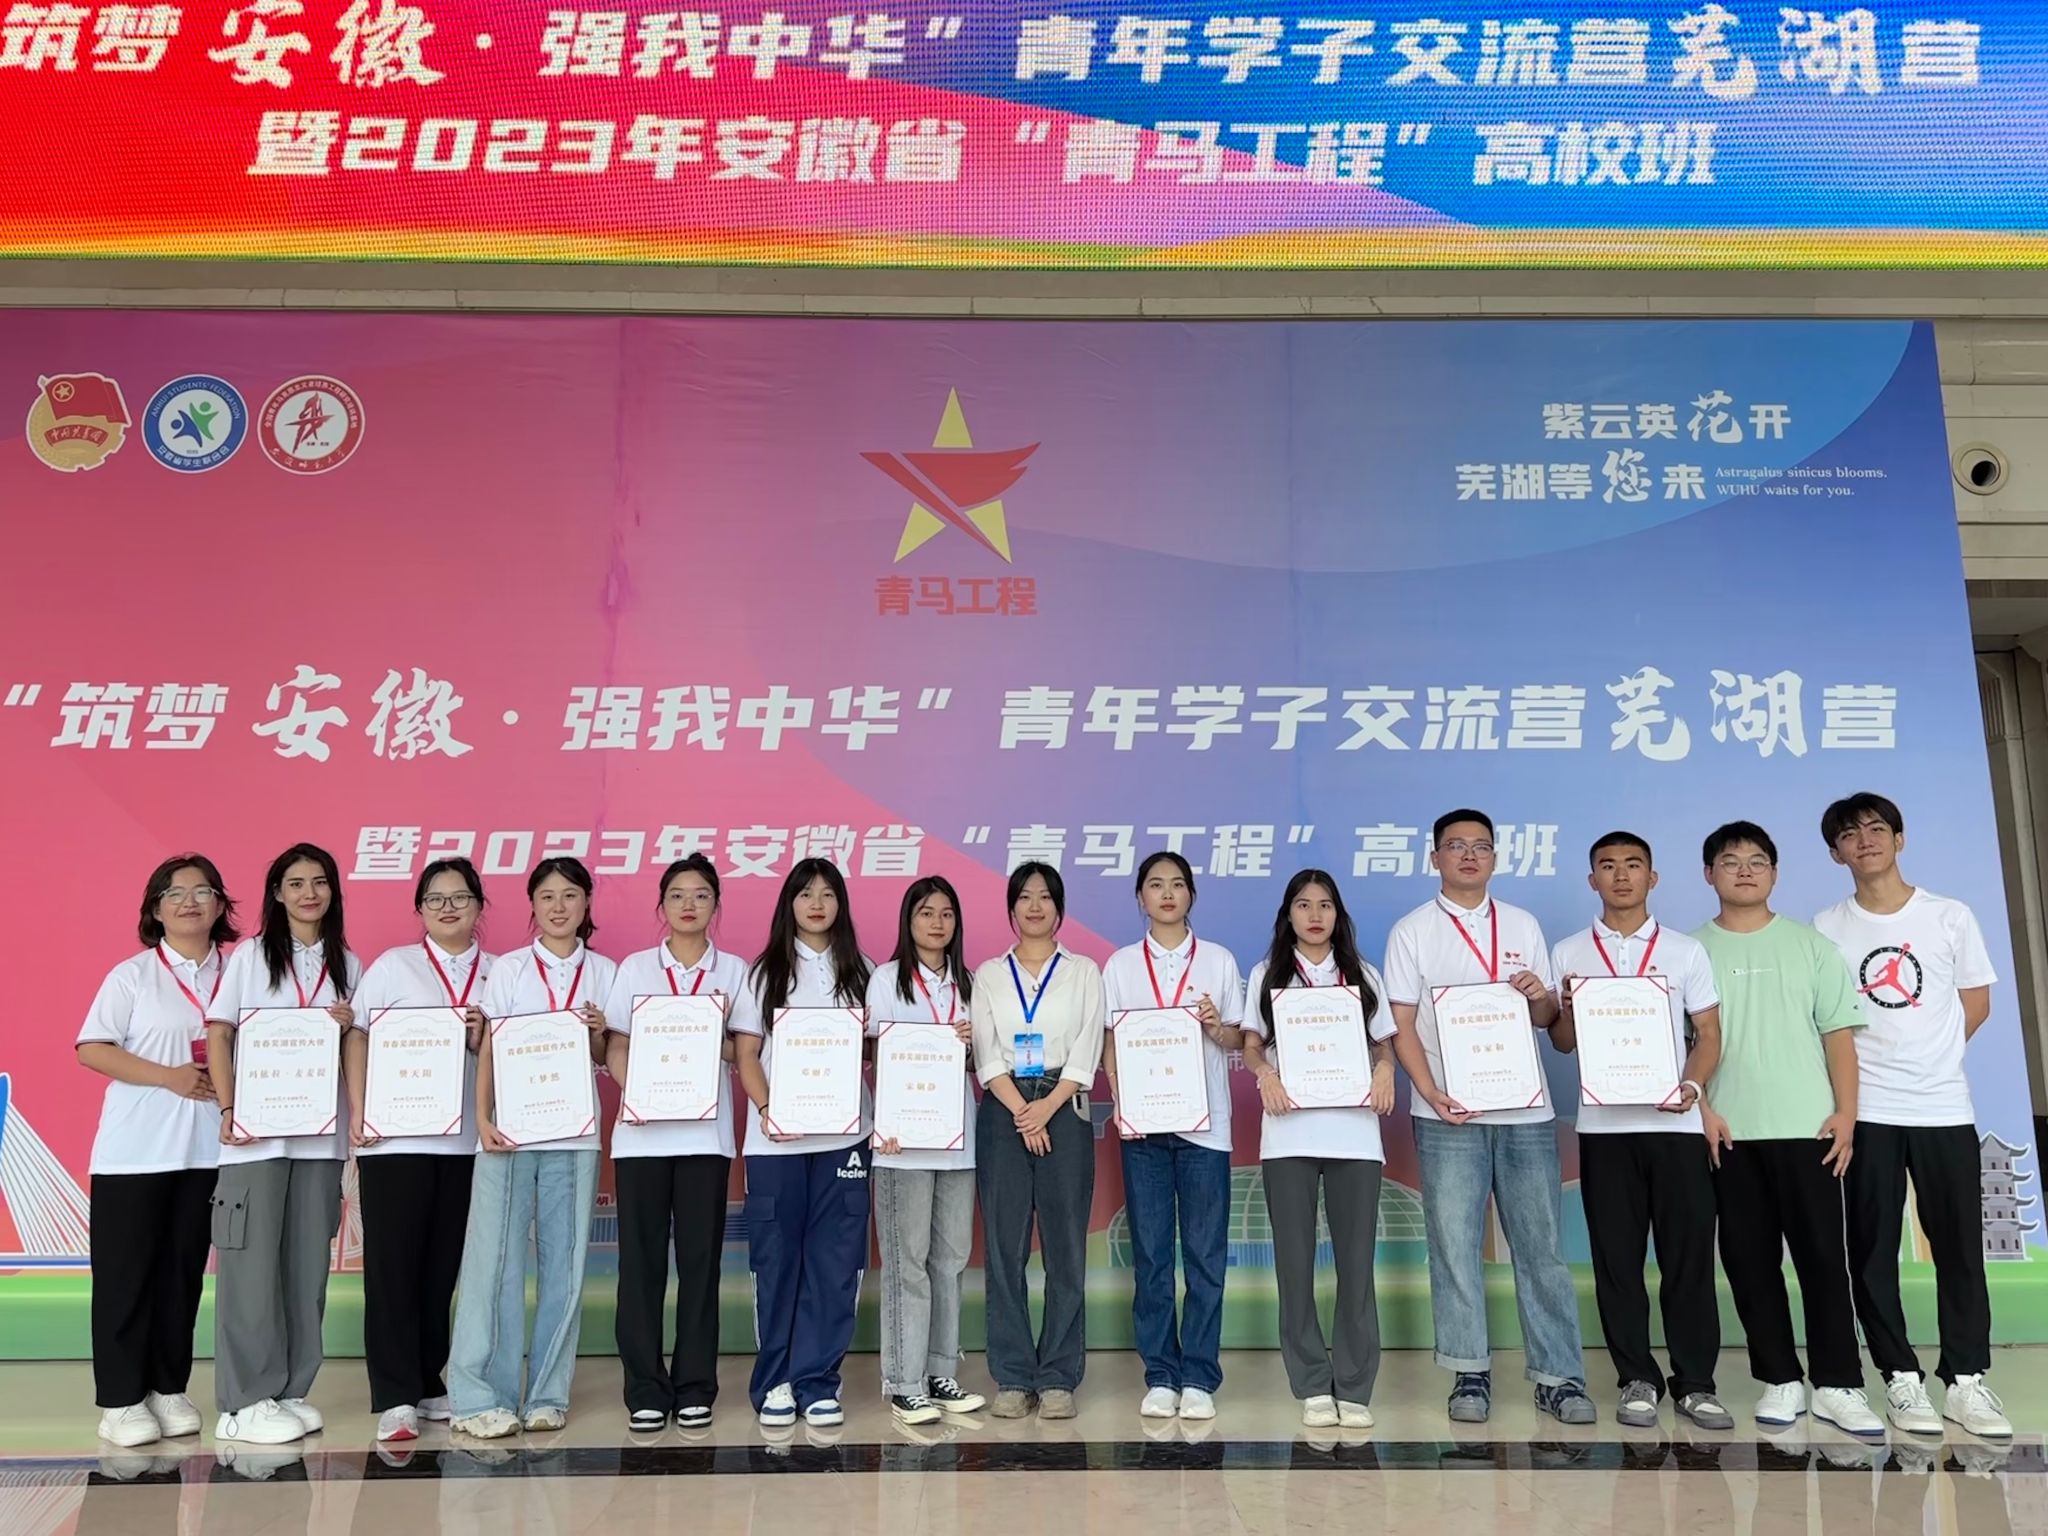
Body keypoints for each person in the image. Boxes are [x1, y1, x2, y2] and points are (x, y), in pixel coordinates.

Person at [1384, 809, 1593, 1425]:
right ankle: (1468, 1372)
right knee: (1454, 1246)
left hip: (1526, 1111)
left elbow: (1548, 1020)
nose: (1469, 855)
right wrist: (1430, 1092)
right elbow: (1400, 1024)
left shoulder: (1522, 923)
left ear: (1496, 858)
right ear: (1435, 858)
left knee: (1541, 1246)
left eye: (1481, 846)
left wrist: (1539, 996)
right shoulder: (1412, 931)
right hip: (1447, 1114)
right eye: (1456, 846)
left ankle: (1558, 1376)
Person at [1814, 792, 2010, 1439]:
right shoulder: (1826, 927)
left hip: (1943, 1106)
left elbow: (1975, 1002)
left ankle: (1966, 1380)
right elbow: (1825, 1020)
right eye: (1850, 834)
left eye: (1877, 828)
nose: (1865, 840)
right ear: (1836, 853)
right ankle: (1899, 1376)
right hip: (1866, 1113)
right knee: (1871, 1251)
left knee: (1959, 1247)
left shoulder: (1949, 916)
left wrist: (1932, 1059)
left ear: (1899, 839)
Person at [1692, 820, 1883, 1437]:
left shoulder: (1810, 946)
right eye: (1730, 861)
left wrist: (1846, 1115)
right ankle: (1780, 1378)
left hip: (1810, 1131)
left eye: (1757, 861)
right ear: (1708, 874)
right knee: (1750, 1264)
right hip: (1728, 1133)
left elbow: (1839, 1038)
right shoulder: (1688, 952)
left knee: (1824, 1260)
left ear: (1774, 873)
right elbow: (1679, 1045)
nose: (1744, 871)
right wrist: (1702, 1109)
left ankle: (1839, 1383)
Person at [1551, 832, 1732, 1431]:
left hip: (1675, 1126)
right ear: (1592, 880)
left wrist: (1693, 1087)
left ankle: (1696, 1383)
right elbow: (1562, 1041)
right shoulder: (1568, 952)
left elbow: (1708, 1034)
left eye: (1633, 865)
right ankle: (1636, 1378)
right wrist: (1567, 1007)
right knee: (1617, 1261)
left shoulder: (1684, 951)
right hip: (1604, 1129)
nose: (1621, 875)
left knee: (1687, 1259)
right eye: (1608, 866)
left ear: (1652, 878)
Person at [449, 856, 616, 1439]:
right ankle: (478, 1397)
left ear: (586, 902)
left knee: (565, 1265)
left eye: (570, 895)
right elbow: (491, 1047)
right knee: (492, 1263)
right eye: (546, 896)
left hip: (576, 1133)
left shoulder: (605, 972)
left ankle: (547, 1393)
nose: (558, 906)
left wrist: (598, 1033)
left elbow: (607, 1059)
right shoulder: (511, 969)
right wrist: (483, 1118)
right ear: (532, 906)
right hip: (509, 1134)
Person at [77, 855, 237, 1448]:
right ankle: (121, 1401)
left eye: (203, 891)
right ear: (156, 909)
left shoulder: (240, 972)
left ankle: (168, 1387)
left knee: (181, 1275)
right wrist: (167, 1076)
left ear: (220, 905)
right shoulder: (133, 976)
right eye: (175, 893)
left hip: (209, 1151)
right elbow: (92, 1048)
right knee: (125, 1278)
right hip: (135, 1153)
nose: (189, 902)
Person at [204, 842, 361, 1447]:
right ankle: (243, 1401)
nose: (308, 893)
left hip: (319, 1141)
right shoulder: (250, 957)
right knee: (250, 1268)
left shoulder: (348, 963)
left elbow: (357, 1047)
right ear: (277, 893)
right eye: (295, 883)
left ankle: (290, 1389)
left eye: (319, 882)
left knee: (305, 1266)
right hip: (256, 1139)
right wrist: (229, 1107)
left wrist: (346, 1032)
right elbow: (220, 1033)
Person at [1238, 869, 1396, 1430]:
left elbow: (1385, 1045)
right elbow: (1251, 1046)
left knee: (1356, 1265)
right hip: (1289, 1135)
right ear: (1288, 914)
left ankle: (1354, 1384)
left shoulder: (1363, 974)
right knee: (1294, 1264)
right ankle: (1310, 1383)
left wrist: (1385, 1071)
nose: (1314, 915)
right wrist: (1264, 1075)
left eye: (1325, 905)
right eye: (1303, 905)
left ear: (1338, 914)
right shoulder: (1267, 974)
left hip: (1355, 1135)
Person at [343, 857, 493, 1444]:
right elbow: (357, 1034)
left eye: (460, 898)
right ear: (420, 909)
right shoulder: (392, 966)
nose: (448, 908)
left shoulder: (500, 972)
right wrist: (360, 1108)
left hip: (466, 1145)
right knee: (392, 1268)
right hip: (394, 1140)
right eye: (435, 899)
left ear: (479, 906)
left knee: (441, 1268)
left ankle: (430, 1380)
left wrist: (485, 1038)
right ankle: (395, 1395)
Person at [603, 854, 748, 1433]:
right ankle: (644, 1387)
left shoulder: (733, 971)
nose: (689, 905)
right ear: (661, 905)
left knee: (699, 1264)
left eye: (702, 895)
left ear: (716, 905)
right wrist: (639, 1092)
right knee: (639, 1266)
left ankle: (694, 1386)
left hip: (705, 1139)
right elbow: (615, 1044)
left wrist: (710, 1037)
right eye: (678, 895)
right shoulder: (636, 968)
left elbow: (745, 1052)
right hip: (641, 1136)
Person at [1101, 851, 1244, 1422]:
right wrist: (1121, 1097)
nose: (1167, 894)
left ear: (1191, 895)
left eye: (1178, 884)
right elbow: (1110, 1041)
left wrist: (1215, 1026)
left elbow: (1237, 1039)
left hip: (1205, 1129)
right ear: (1140, 897)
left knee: (1206, 1256)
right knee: (1152, 1256)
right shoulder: (1120, 965)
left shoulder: (1218, 960)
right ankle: (1161, 1374)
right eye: (1156, 885)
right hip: (1144, 1131)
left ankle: (1200, 1376)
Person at [732, 858, 874, 1431]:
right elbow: (746, 1055)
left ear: (841, 904)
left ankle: (818, 1381)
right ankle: (777, 1380)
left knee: (835, 1262)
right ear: (788, 903)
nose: (817, 904)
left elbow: (875, 1050)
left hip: (846, 1138)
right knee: (777, 1262)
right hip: (777, 1143)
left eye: (828, 894)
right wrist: (768, 1109)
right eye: (805, 893)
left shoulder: (862, 971)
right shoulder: (763, 972)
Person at [970, 862, 1105, 1422]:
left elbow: (1087, 1047)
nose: (1034, 906)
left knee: (1065, 1247)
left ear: (1059, 908)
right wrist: (1023, 1112)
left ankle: (1057, 1377)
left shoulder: (1083, 971)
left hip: (1064, 1107)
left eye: (1045, 897)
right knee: (1004, 1248)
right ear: (1011, 908)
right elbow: (986, 1052)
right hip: (1004, 1109)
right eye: (1024, 897)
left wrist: (1045, 1107)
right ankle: (1012, 1375)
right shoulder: (988, 974)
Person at [866, 876, 987, 1425]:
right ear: (908, 920)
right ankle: (904, 1381)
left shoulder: (970, 983)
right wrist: (885, 1122)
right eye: (926, 912)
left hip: (958, 1141)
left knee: (951, 1260)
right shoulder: (886, 979)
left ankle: (940, 1371)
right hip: (902, 1146)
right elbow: (874, 1054)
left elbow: (983, 1062)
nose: (937, 923)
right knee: (907, 1263)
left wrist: (970, 1045)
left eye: (946, 913)